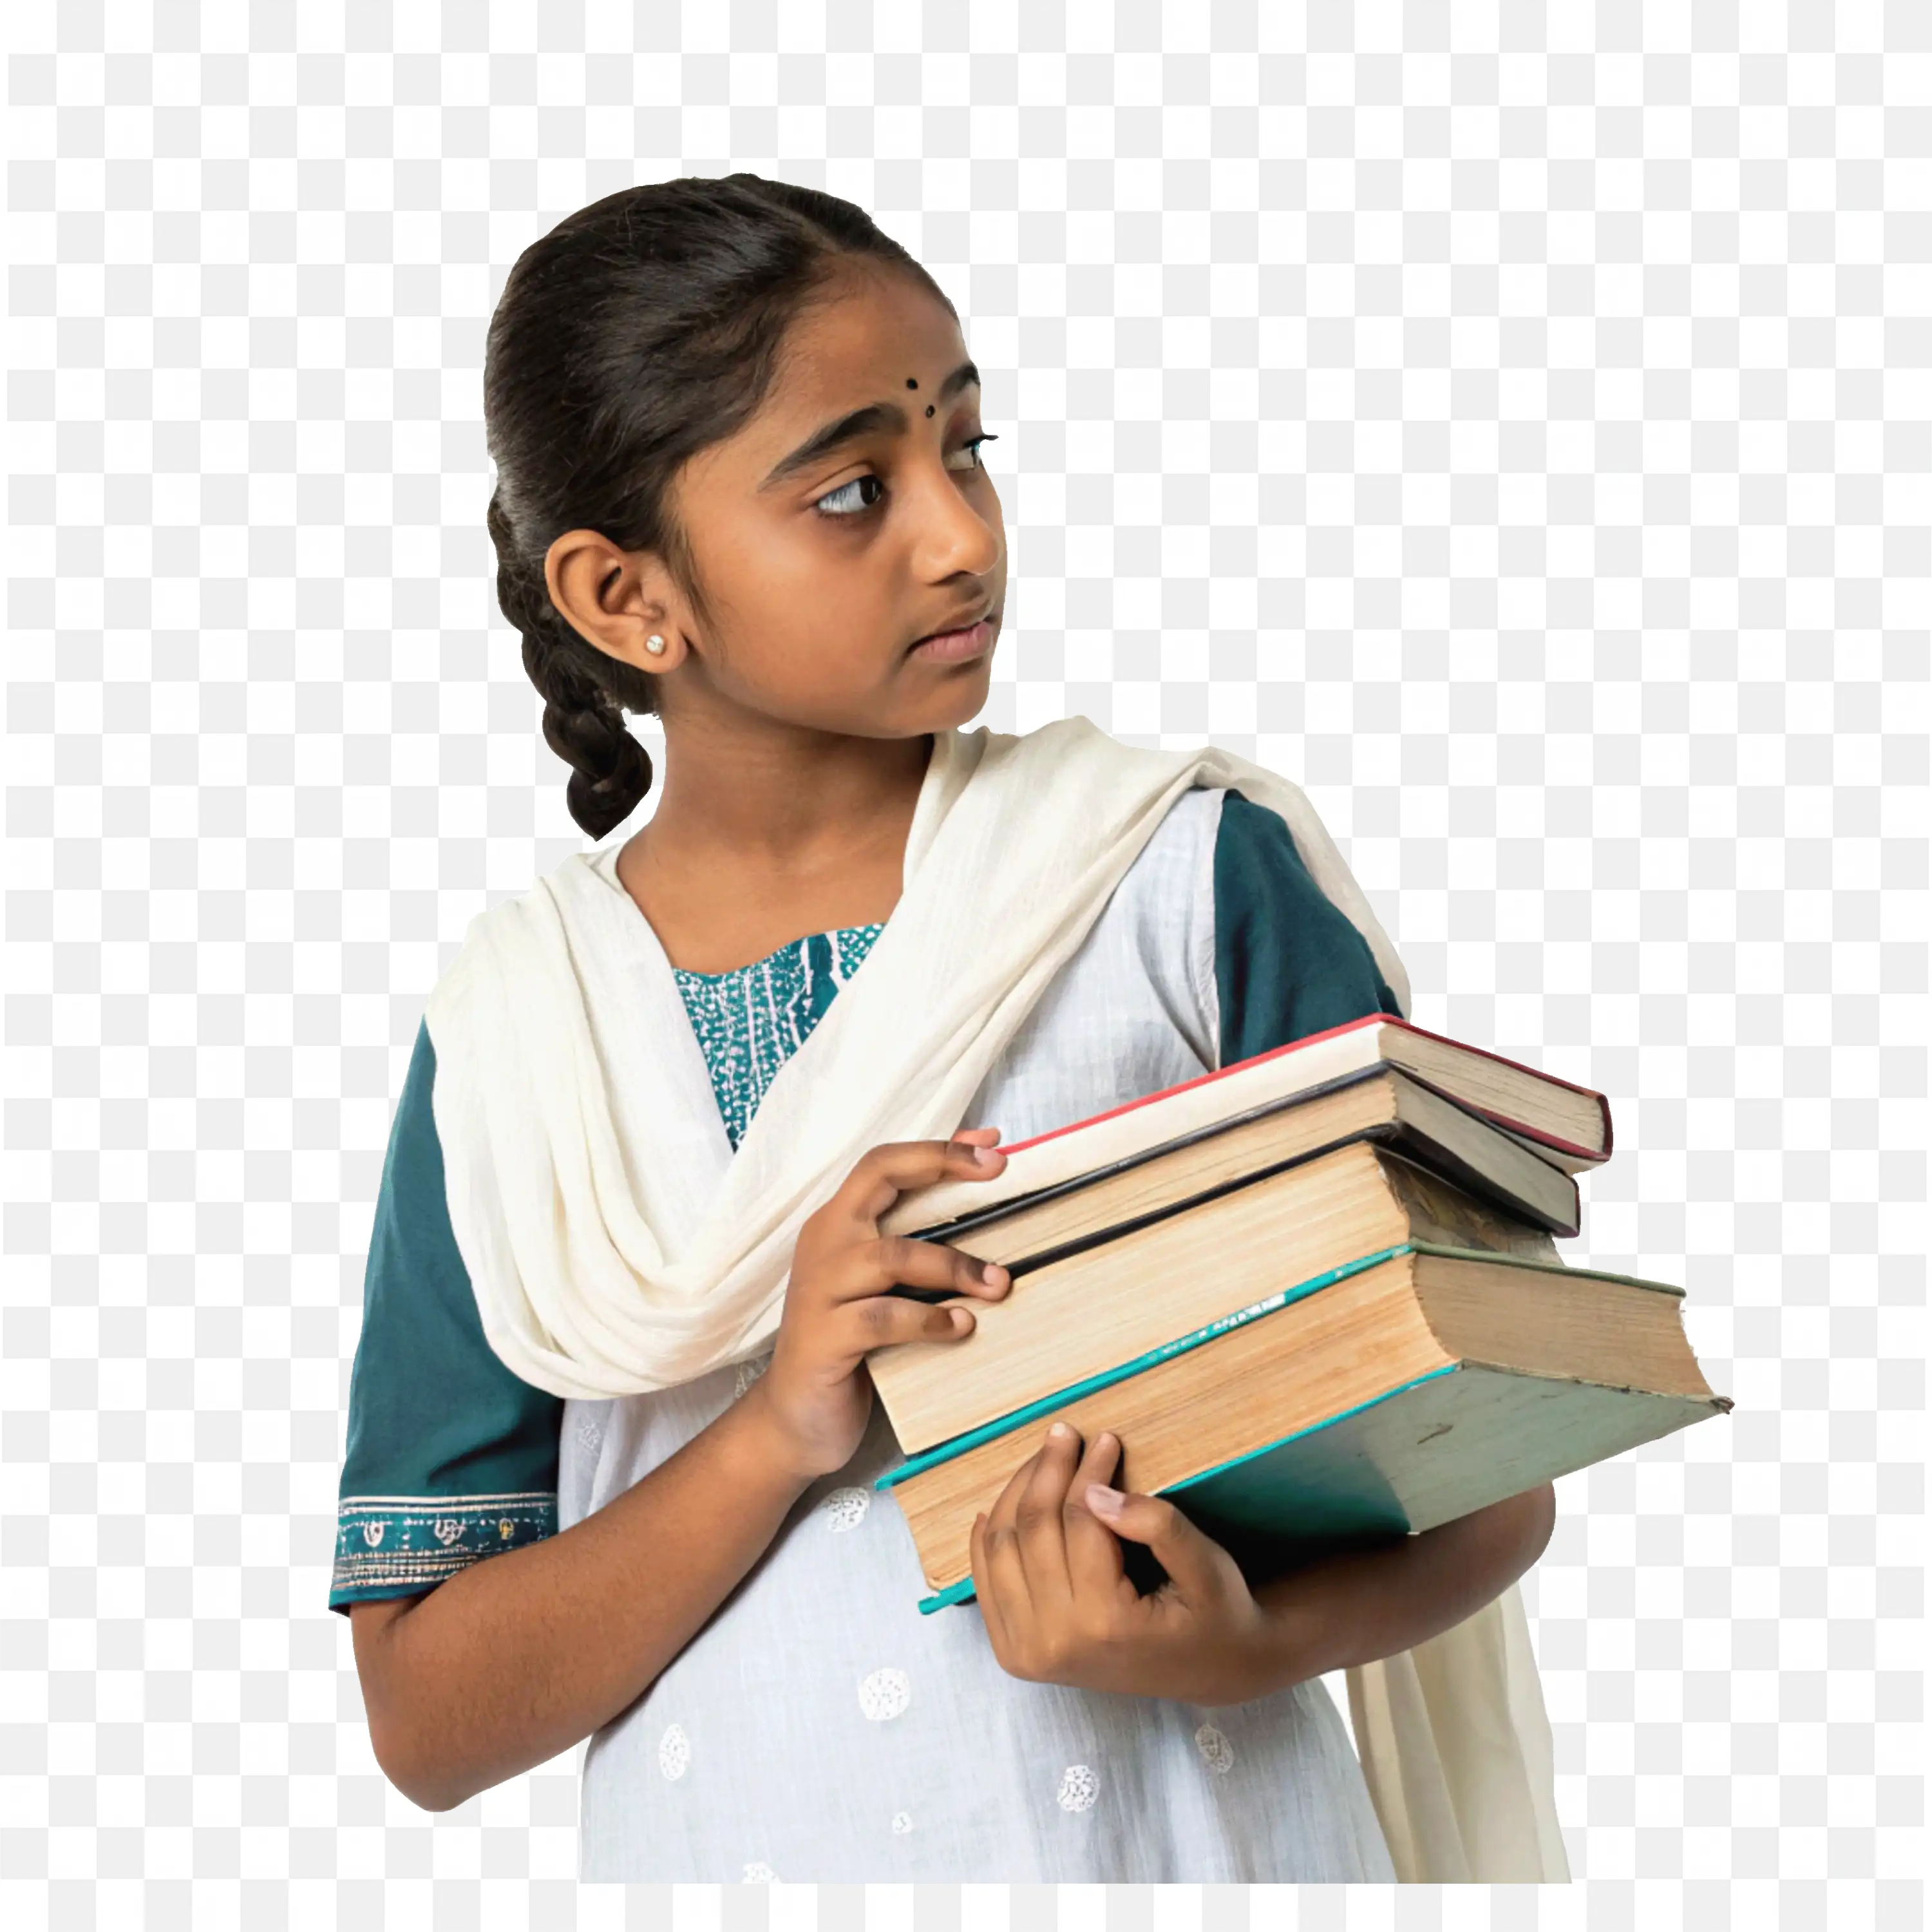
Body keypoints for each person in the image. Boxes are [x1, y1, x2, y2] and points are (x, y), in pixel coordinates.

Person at [330, 173, 1562, 1884]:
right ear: (627, 600)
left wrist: (1238, 1644)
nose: (959, 532)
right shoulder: (516, 1043)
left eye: (965, 449)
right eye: (853, 489)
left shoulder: (1175, 880)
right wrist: (775, 1427)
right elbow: (429, 1716)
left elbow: (1490, 1473)